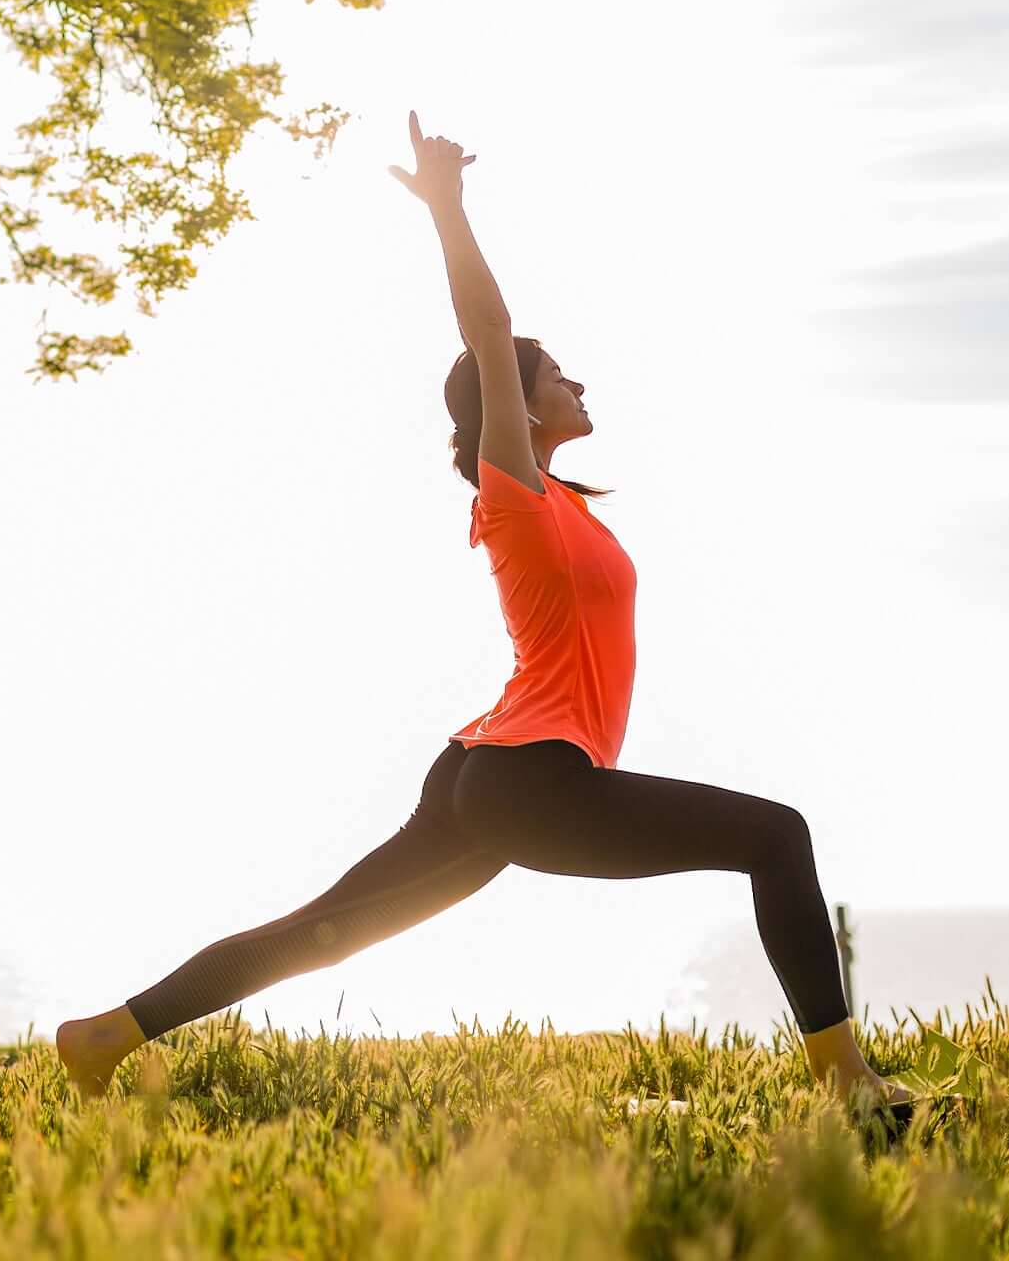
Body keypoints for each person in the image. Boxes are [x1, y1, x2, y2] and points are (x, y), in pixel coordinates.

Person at [54, 110, 911, 1115]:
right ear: (518, 404)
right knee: (777, 835)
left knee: (322, 925)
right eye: (559, 375)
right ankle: (846, 1081)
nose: (578, 380)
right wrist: (449, 210)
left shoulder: (569, 506)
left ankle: (105, 1035)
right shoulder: (512, 495)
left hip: (490, 768)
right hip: (524, 777)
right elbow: (489, 333)